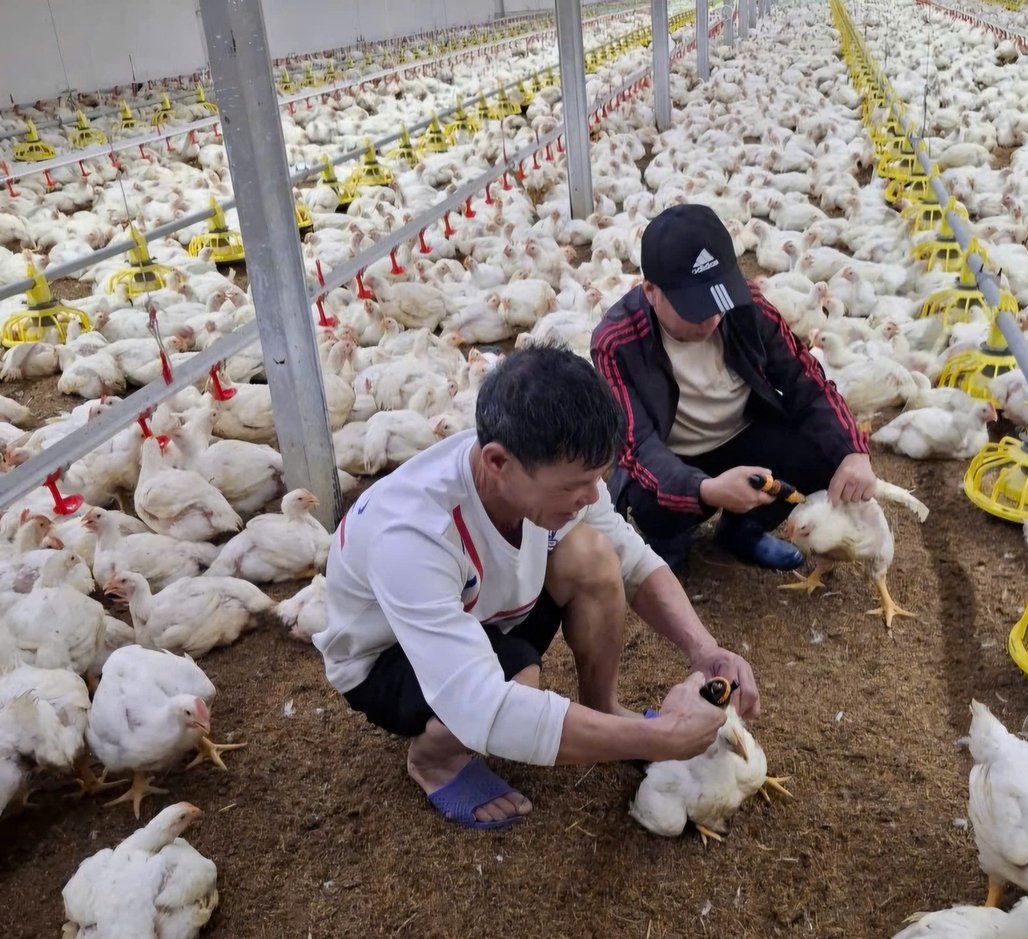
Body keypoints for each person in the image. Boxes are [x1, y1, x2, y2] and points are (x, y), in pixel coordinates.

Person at [313, 345, 759, 830]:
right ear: (498, 462)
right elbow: (484, 704)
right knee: (515, 680)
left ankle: (603, 709)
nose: (592, 496)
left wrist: (704, 649)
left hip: (486, 611)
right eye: (576, 485)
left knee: (593, 555)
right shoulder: (411, 534)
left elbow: (631, 560)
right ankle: (433, 761)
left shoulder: (542, 463)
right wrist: (660, 741)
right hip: (387, 658)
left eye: (599, 479)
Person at [591, 203, 877, 571]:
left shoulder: (747, 308)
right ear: (650, 291)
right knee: (654, 503)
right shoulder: (616, 342)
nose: (711, 317)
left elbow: (805, 378)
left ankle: (743, 530)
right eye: (694, 307)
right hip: (674, 453)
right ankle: (669, 541)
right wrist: (705, 489)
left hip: (742, 434)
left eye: (718, 299)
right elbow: (638, 447)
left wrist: (853, 450)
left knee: (824, 449)